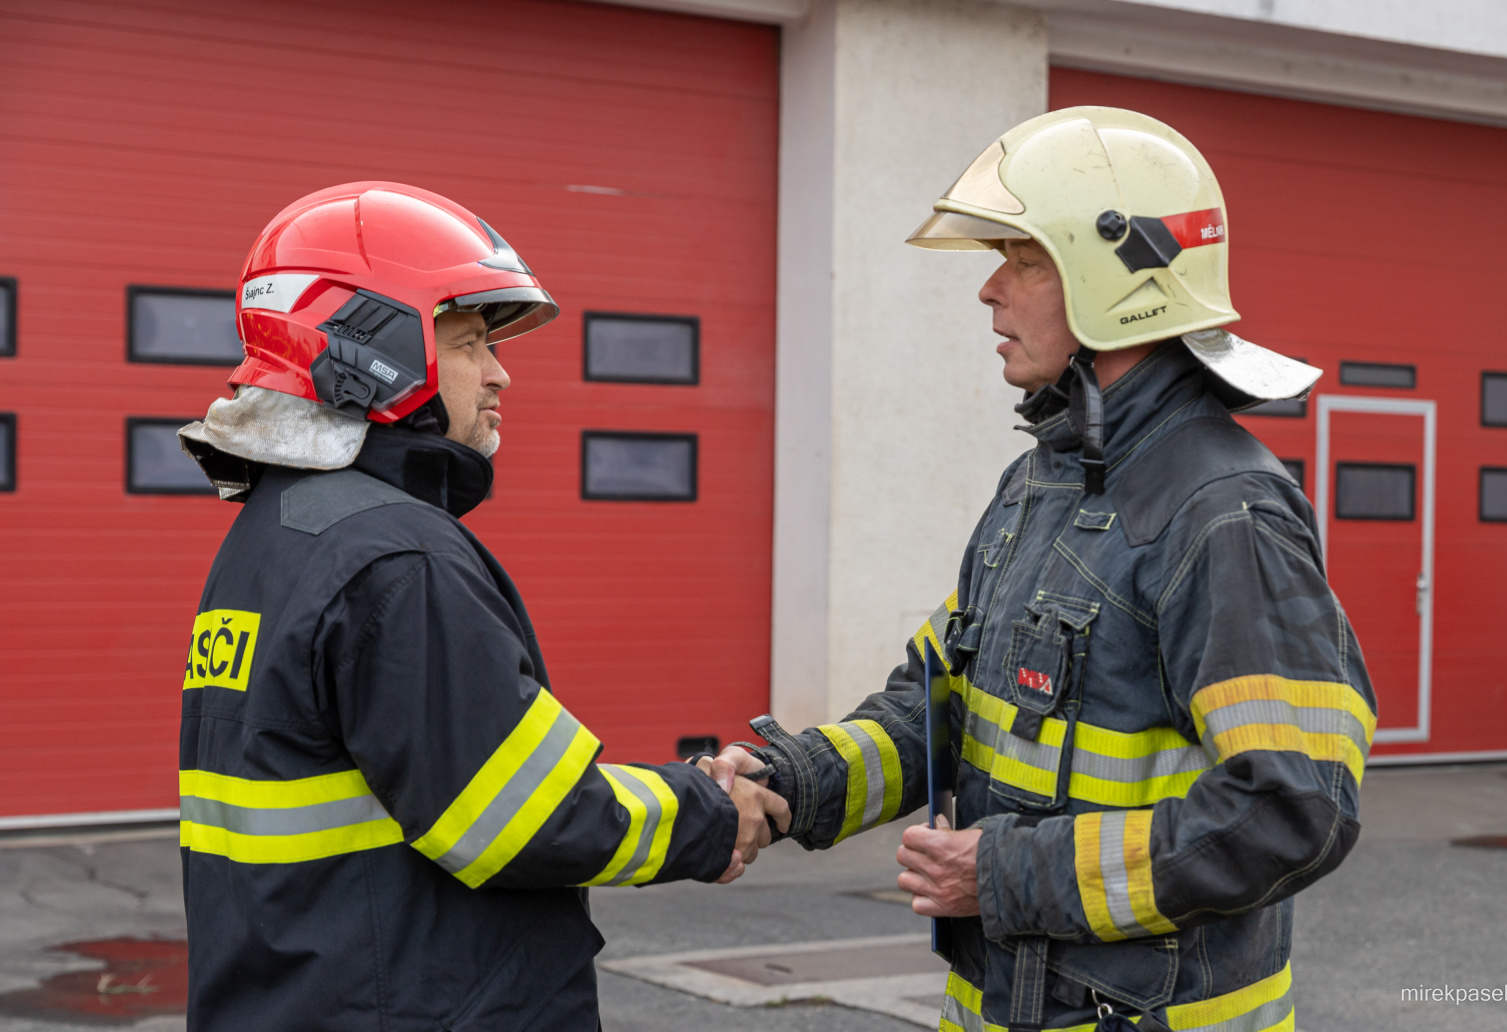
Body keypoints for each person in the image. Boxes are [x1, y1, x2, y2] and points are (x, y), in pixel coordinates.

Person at [710, 108, 1377, 1031]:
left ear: (1114, 281)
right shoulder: (1036, 486)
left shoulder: (1224, 512)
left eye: (1023, 260)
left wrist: (1004, 872)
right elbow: (934, 706)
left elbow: (1293, 807)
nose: (990, 290)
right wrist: (790, 784)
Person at [176, 182, 789, 1032]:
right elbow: (524, 817)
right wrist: (714, 812)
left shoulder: (277, 534)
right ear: (373, 348)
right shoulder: (396, 555)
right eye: (467, 343)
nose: (500, 373)